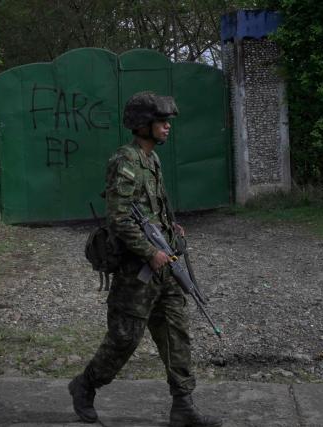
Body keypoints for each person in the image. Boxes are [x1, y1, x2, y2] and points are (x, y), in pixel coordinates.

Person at [68, 91, 222, 427]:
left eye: (167, 122)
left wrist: (171, 228)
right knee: (124, 338)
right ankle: (85, 385)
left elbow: (154, 208)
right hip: (135, 271)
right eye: (161, 122)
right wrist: (150, 251)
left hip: (164, 265)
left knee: (176, 333)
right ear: (143, 125)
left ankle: (183, 405)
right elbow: (120, 219)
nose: (167, 127)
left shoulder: (152, 160)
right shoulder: (124, 162)